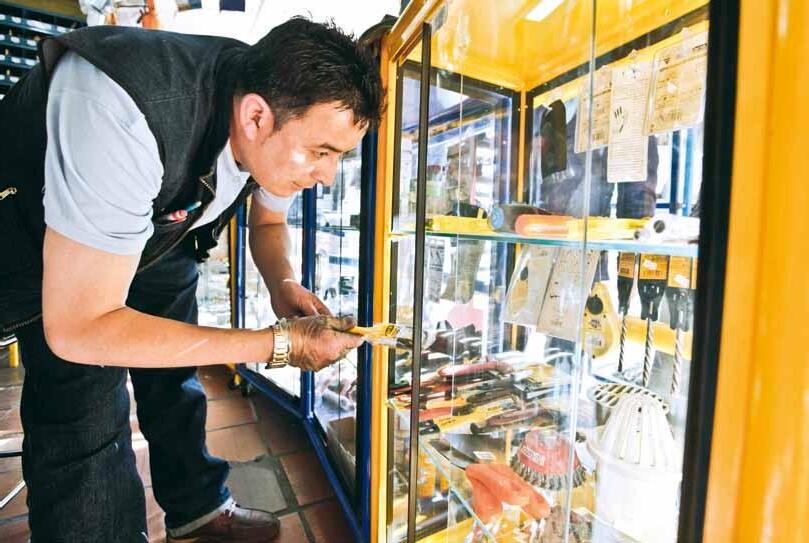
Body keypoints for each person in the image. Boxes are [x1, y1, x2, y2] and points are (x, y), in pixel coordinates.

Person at [0, 16, 384, 542]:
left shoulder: (273, 102)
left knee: (177, 376)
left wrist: (282, 284)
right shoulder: (125, 107)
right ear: (254, 117)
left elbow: (268, 223)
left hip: (162, 236)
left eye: (338, 157)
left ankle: (197, 508)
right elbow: (79, 327)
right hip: (44, 243)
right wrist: (277, 345)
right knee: (85, 406)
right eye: (322, 153)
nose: (328, 176)